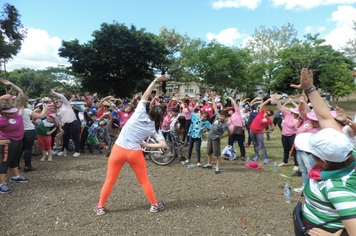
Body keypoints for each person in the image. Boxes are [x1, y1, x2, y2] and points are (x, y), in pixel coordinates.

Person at [292, 68, 356, 236]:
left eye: (310, 152)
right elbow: (326, 118)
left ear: (321, 161)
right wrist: (310, 89)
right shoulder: (349, 151)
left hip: (323, 230)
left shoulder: (338, 189)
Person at [94, 75, 169, 216]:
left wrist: (155, 80)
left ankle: (100, 207)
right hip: (135, 153)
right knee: (144, 180)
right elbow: (163, 145)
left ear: (151, 110)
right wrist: (146, 144)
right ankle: (154, 205)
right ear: (161, 117)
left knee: (110, 180)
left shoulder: (139, 112)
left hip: (118, 150)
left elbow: (146, 94)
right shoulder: (155, 128)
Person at [14, 95, 52, 172]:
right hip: (29, 131)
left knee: (19, 149)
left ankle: (16, 165)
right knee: (27, 149)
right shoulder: (27, 110)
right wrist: (45, 109)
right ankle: (27, 166)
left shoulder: (15, 111)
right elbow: (41, 116)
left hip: (19, 131)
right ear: (25, 102)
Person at [0, 103, 29, 194]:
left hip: (18, 140)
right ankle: (1, 184)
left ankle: (15, 177)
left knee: (15, 159)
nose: (14, 113)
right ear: (4, 113)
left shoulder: (15, 114)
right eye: (11, 112)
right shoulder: (2, 120)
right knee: (6, 162)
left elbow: (11, 97)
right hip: (9, 142)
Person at [203, 92, 232, 174]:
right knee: (209, 151)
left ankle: (217, 167)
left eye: (222, 116)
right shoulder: (216, 117)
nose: (220, 117)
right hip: (210, 136)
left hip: (216, 139)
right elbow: (215, 107)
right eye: (220, 116)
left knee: (217, 153)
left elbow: (230, 132)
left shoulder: (224, 125)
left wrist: (222, 137)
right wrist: (212, 98)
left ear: (226, 117)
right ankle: (209, 164)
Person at [50, 90, 81, 157]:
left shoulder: (66, 105)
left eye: (57, 102)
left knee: (75, 137)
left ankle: (77, 151)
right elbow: (61, 120)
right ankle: (63, 150)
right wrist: (60, 128)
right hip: (66, 125)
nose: (56, 103)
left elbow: (62, 96)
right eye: (54, 103)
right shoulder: (58, 111)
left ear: (61, 102)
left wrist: (54, 93)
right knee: (65, 138)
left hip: (73, 123)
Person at [274, 94, 300, 169]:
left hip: (292, 135)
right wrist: (278, 100)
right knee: (285, 149)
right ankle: (285, 162)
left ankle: (296, 164)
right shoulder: (287, 114)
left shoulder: (299, 119)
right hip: (284, 135)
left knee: (294, 150)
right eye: (295, 112)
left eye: (297, 113)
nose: (295, 114)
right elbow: (279, 107)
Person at [249, 98, 275, 164]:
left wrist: (266, 132)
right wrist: (269, 99)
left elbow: (273, 127)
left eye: (269, 114)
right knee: (255, 144)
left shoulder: (268, 120)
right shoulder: (261, 113)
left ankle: (265, 158)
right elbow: (263, 104)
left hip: (259, 133)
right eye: (267, 112)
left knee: (261, 145)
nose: (267, 114)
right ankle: (257, 156)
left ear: (270, 115)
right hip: (252, 131)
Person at [226, 96, 246, 161]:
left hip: (239, 131)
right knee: (230, 144)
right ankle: (229, 155)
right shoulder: (229, 118)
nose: (229, 111)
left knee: (240, 144)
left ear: (233, 110)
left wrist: (231, 98)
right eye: (228, 111)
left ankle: (243, 155)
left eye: (230, 110)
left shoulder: (237, 113)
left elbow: (235, 104)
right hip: (232, 132)